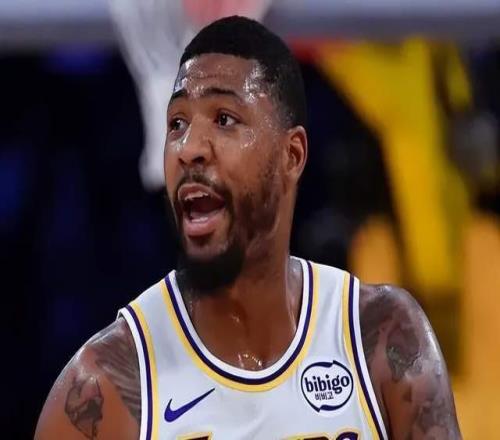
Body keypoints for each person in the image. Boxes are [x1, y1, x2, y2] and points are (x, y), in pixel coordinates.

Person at [35, 16, 461, 440]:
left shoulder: (383, 337)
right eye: (177, 123)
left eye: (223, 119)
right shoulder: (103, 388)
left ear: (292, 156)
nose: (189, 148)